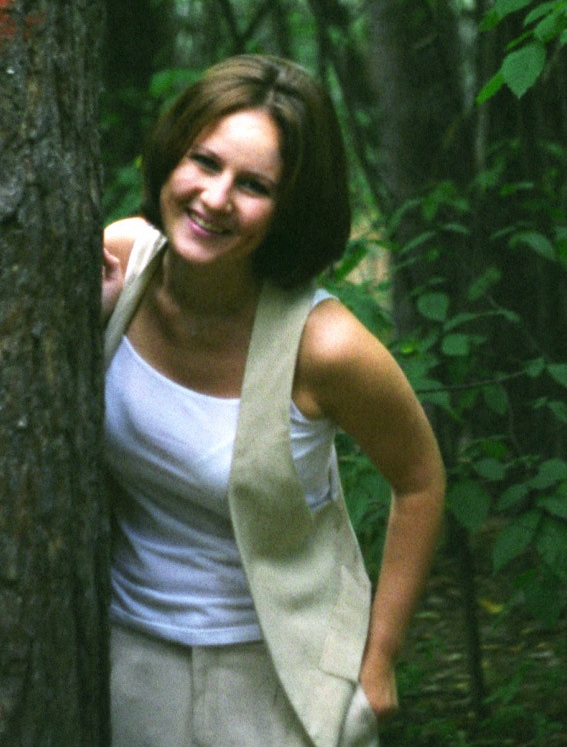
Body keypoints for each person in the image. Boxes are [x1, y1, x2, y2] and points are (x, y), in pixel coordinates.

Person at [102, 54, 445, 747]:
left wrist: (379, 661)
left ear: (290, 209)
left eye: (254, 185)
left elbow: (420, 480)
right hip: (128, 663)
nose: (215, 198)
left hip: (281, 677)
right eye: (204, 161)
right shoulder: (120, 263)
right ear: (171, 156)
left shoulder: (325, 346)